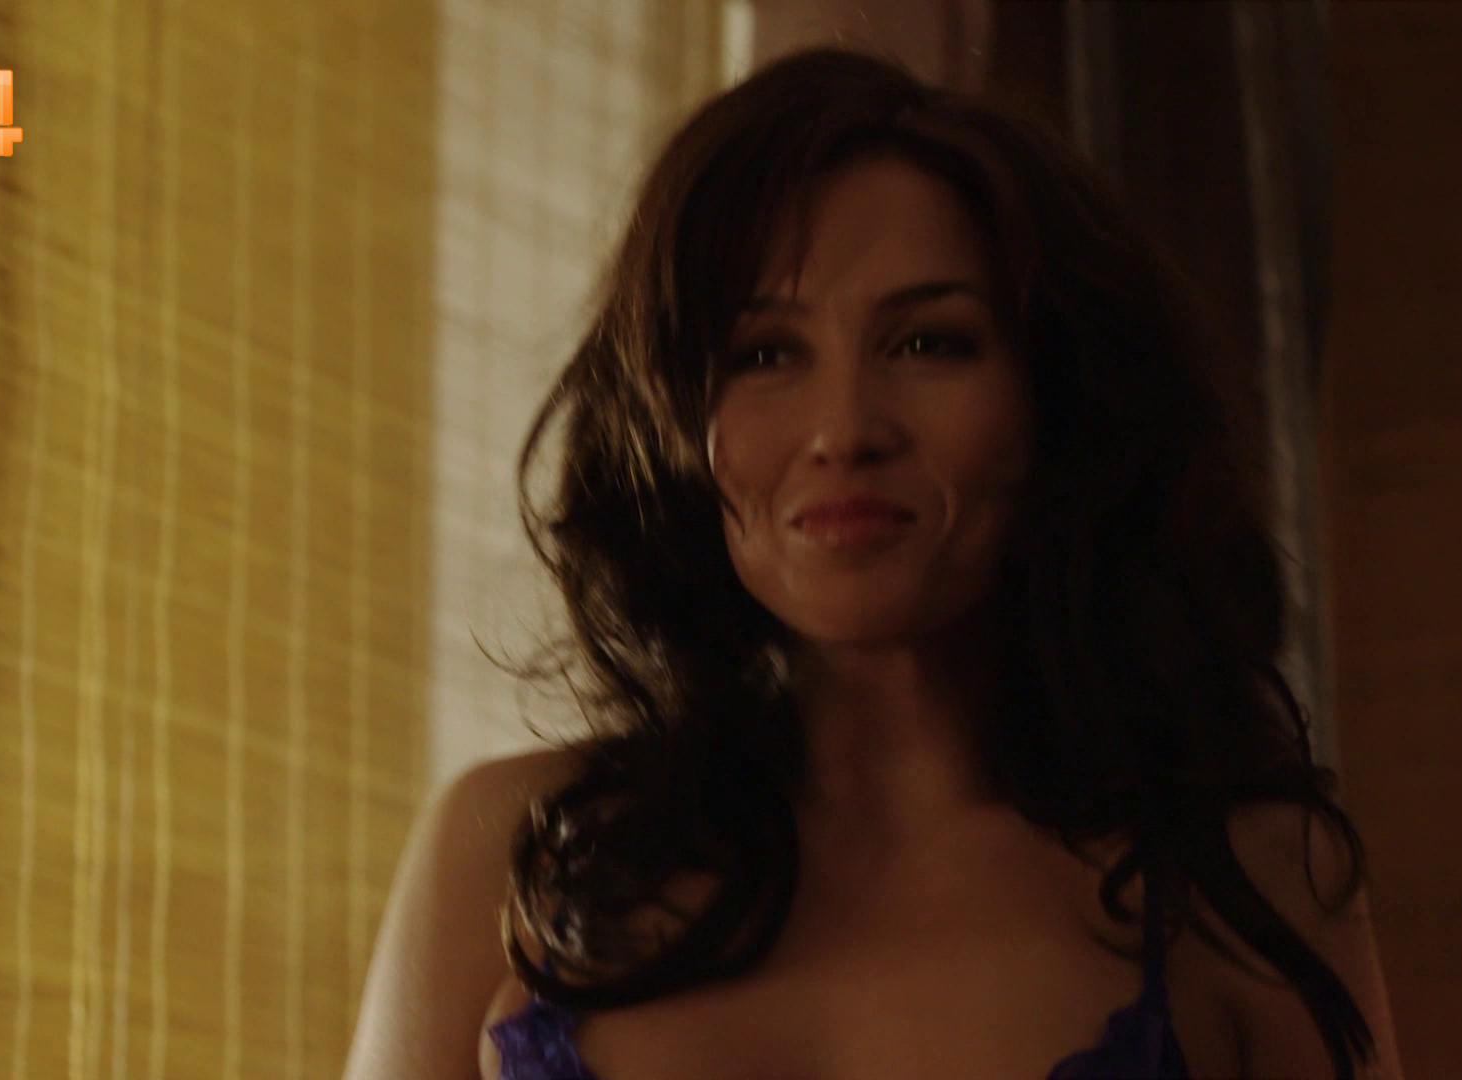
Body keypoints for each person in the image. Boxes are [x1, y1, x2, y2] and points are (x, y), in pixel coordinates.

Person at [346, 45, 1404, 1080]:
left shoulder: (1246, 883)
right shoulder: (506, 859)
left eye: (929, 343)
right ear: (672, 423)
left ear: (1058, 397)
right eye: (765, 354)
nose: (844, 430)